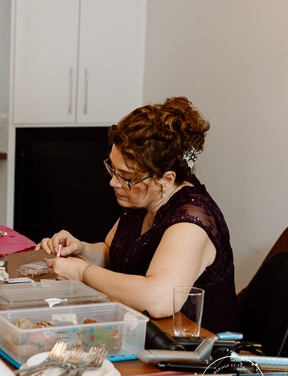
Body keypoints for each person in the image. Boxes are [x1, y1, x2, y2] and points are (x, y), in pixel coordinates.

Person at [36, 96, 238, 333]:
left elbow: (159, 300)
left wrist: (83, 273)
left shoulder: (191, 222)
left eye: (127, 177)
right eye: (113, 169)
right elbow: (114, 254)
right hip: (145, 331)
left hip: (195, 348)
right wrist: (81, 249)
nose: (113, 182)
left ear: (166, 179)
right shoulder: (143, 198)